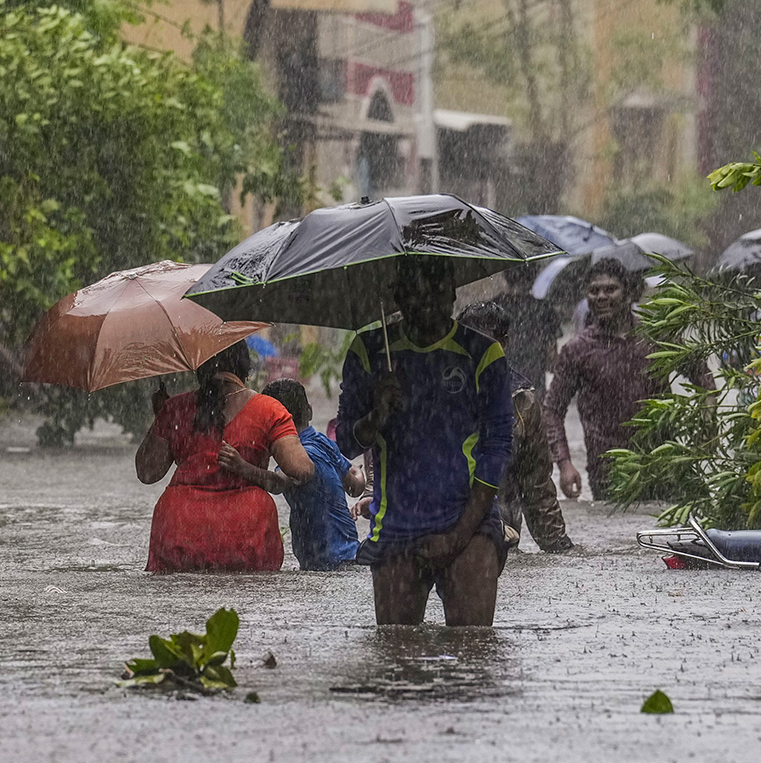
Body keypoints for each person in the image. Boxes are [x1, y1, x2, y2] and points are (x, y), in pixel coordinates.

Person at [336, 256, 514, 627]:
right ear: (397, 297)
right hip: (395, 527)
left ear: (452, 293)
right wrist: (377, 414)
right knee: (395, 656)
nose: (427, 304)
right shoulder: (370, 352)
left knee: (473, 653)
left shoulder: (482, 354)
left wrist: (459, 535)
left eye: (436, 292)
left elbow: (496, 450)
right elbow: (347, 443)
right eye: (415, 295)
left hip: (469, 524)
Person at [135, 342, 315, 572]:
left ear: (199, 367)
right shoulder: (270, 410)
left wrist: (163, 417)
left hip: (180, 527)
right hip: (246, 528)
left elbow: (147, 473)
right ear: (246, 370)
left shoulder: (176, 408)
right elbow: (302, 470)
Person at [456, 301, 574, 553]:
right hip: (445, 533)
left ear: (503, 343)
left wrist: (558, 545)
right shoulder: (436, 392)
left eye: (484, 341)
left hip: (501, 541)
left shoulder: (523, 403)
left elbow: (536, 484)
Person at [543, 258, 663, 502]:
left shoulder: (655, 337)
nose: (601, 296)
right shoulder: (577, 351)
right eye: (594, 290)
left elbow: (700, 373)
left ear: (628, 293)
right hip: (608, 473)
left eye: (610, 289)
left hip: (662, 464)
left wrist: (706, 422)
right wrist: (564, 464)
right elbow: (552, 410)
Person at [261, 378, 365, 571]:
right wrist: (359, 471)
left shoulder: (299, 457)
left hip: (326, 564)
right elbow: (354, 486)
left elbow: (276, 483)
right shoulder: (323, 442)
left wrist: (243, 468)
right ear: (309, 411)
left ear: (271, 424)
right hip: (350, 555)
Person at [491, 263, 562, 400]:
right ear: (534, 276)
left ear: (506, 276)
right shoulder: (543, 309)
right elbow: (552, 362)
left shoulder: (494, 308)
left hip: (500, 393)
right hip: (533, 394)